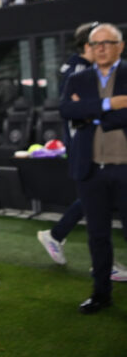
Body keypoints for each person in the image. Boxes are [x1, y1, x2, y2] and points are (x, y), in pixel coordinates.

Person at [60, 23, 127, 314]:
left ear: (120, 46)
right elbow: (66, 110)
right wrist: (109, 104)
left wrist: (90, 113)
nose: (100, 48)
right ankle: (101, 294)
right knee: (97, 236)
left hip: (124, 169)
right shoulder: (79, 79)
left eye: (107, 42)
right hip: (90, 171)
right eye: (95, 43)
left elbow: (79, 112)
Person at [37, 22, 95, 264]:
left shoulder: (80, 66)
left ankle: (56, 234)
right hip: (87, 146)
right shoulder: (79, 70)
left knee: (97, 198)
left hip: (94, 145)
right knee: (96, 197)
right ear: (88, 44)